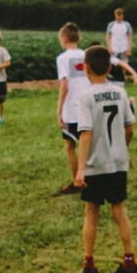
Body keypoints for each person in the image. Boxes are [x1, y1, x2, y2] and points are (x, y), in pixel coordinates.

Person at [73, 45, 137, 273]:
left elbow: (86, 134)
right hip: (117, 162)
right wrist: (123, 151)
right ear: (110, 68)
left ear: (85, 68)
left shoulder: (86, 96)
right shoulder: (120, 92)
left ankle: (89, 263)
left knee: (91, 210)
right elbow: (129, 128)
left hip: (95, 164)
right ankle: (129, 261)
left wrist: (81, 168)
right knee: (119, 209)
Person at [55, 23, 90, 195]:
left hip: (72, 109)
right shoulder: (86, 55)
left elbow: (65, 85)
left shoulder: (63, 58)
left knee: (70, 146)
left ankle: (77, 182)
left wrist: (59, 110)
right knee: (89, 145)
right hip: (88, 106)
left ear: (64, 38)